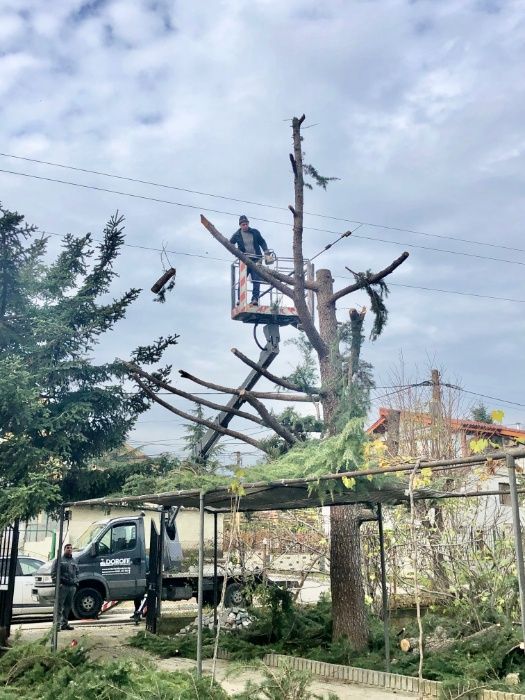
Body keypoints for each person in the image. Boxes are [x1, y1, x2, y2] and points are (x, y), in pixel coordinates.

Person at [230, 215, 270, 305]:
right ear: (240, 225)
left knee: (256, 279)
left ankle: (255, 299)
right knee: (242, 280)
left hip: (256, 260)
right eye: (243, 224)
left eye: (246, 224)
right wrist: (236, 252)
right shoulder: (237, 235)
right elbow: (230, 243)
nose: (245, 226)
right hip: (244, 260)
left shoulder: (255, 232)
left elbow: (262, 242)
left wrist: (266, 251)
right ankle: (240, 300)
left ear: (248, 224)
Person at [51, 543, 79, 631]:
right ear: (64, 549)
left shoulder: (74, 561)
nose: (69, 549)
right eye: (67, 548)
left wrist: (76, 583)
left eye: (71, 548)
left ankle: (64, 624)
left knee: (67, 607)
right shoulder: (59, 560)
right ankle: (56, 626)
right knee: (59, 606)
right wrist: (58, 584)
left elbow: (77, 573)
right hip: (63, 586)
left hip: (72, 587)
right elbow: (54, 573)